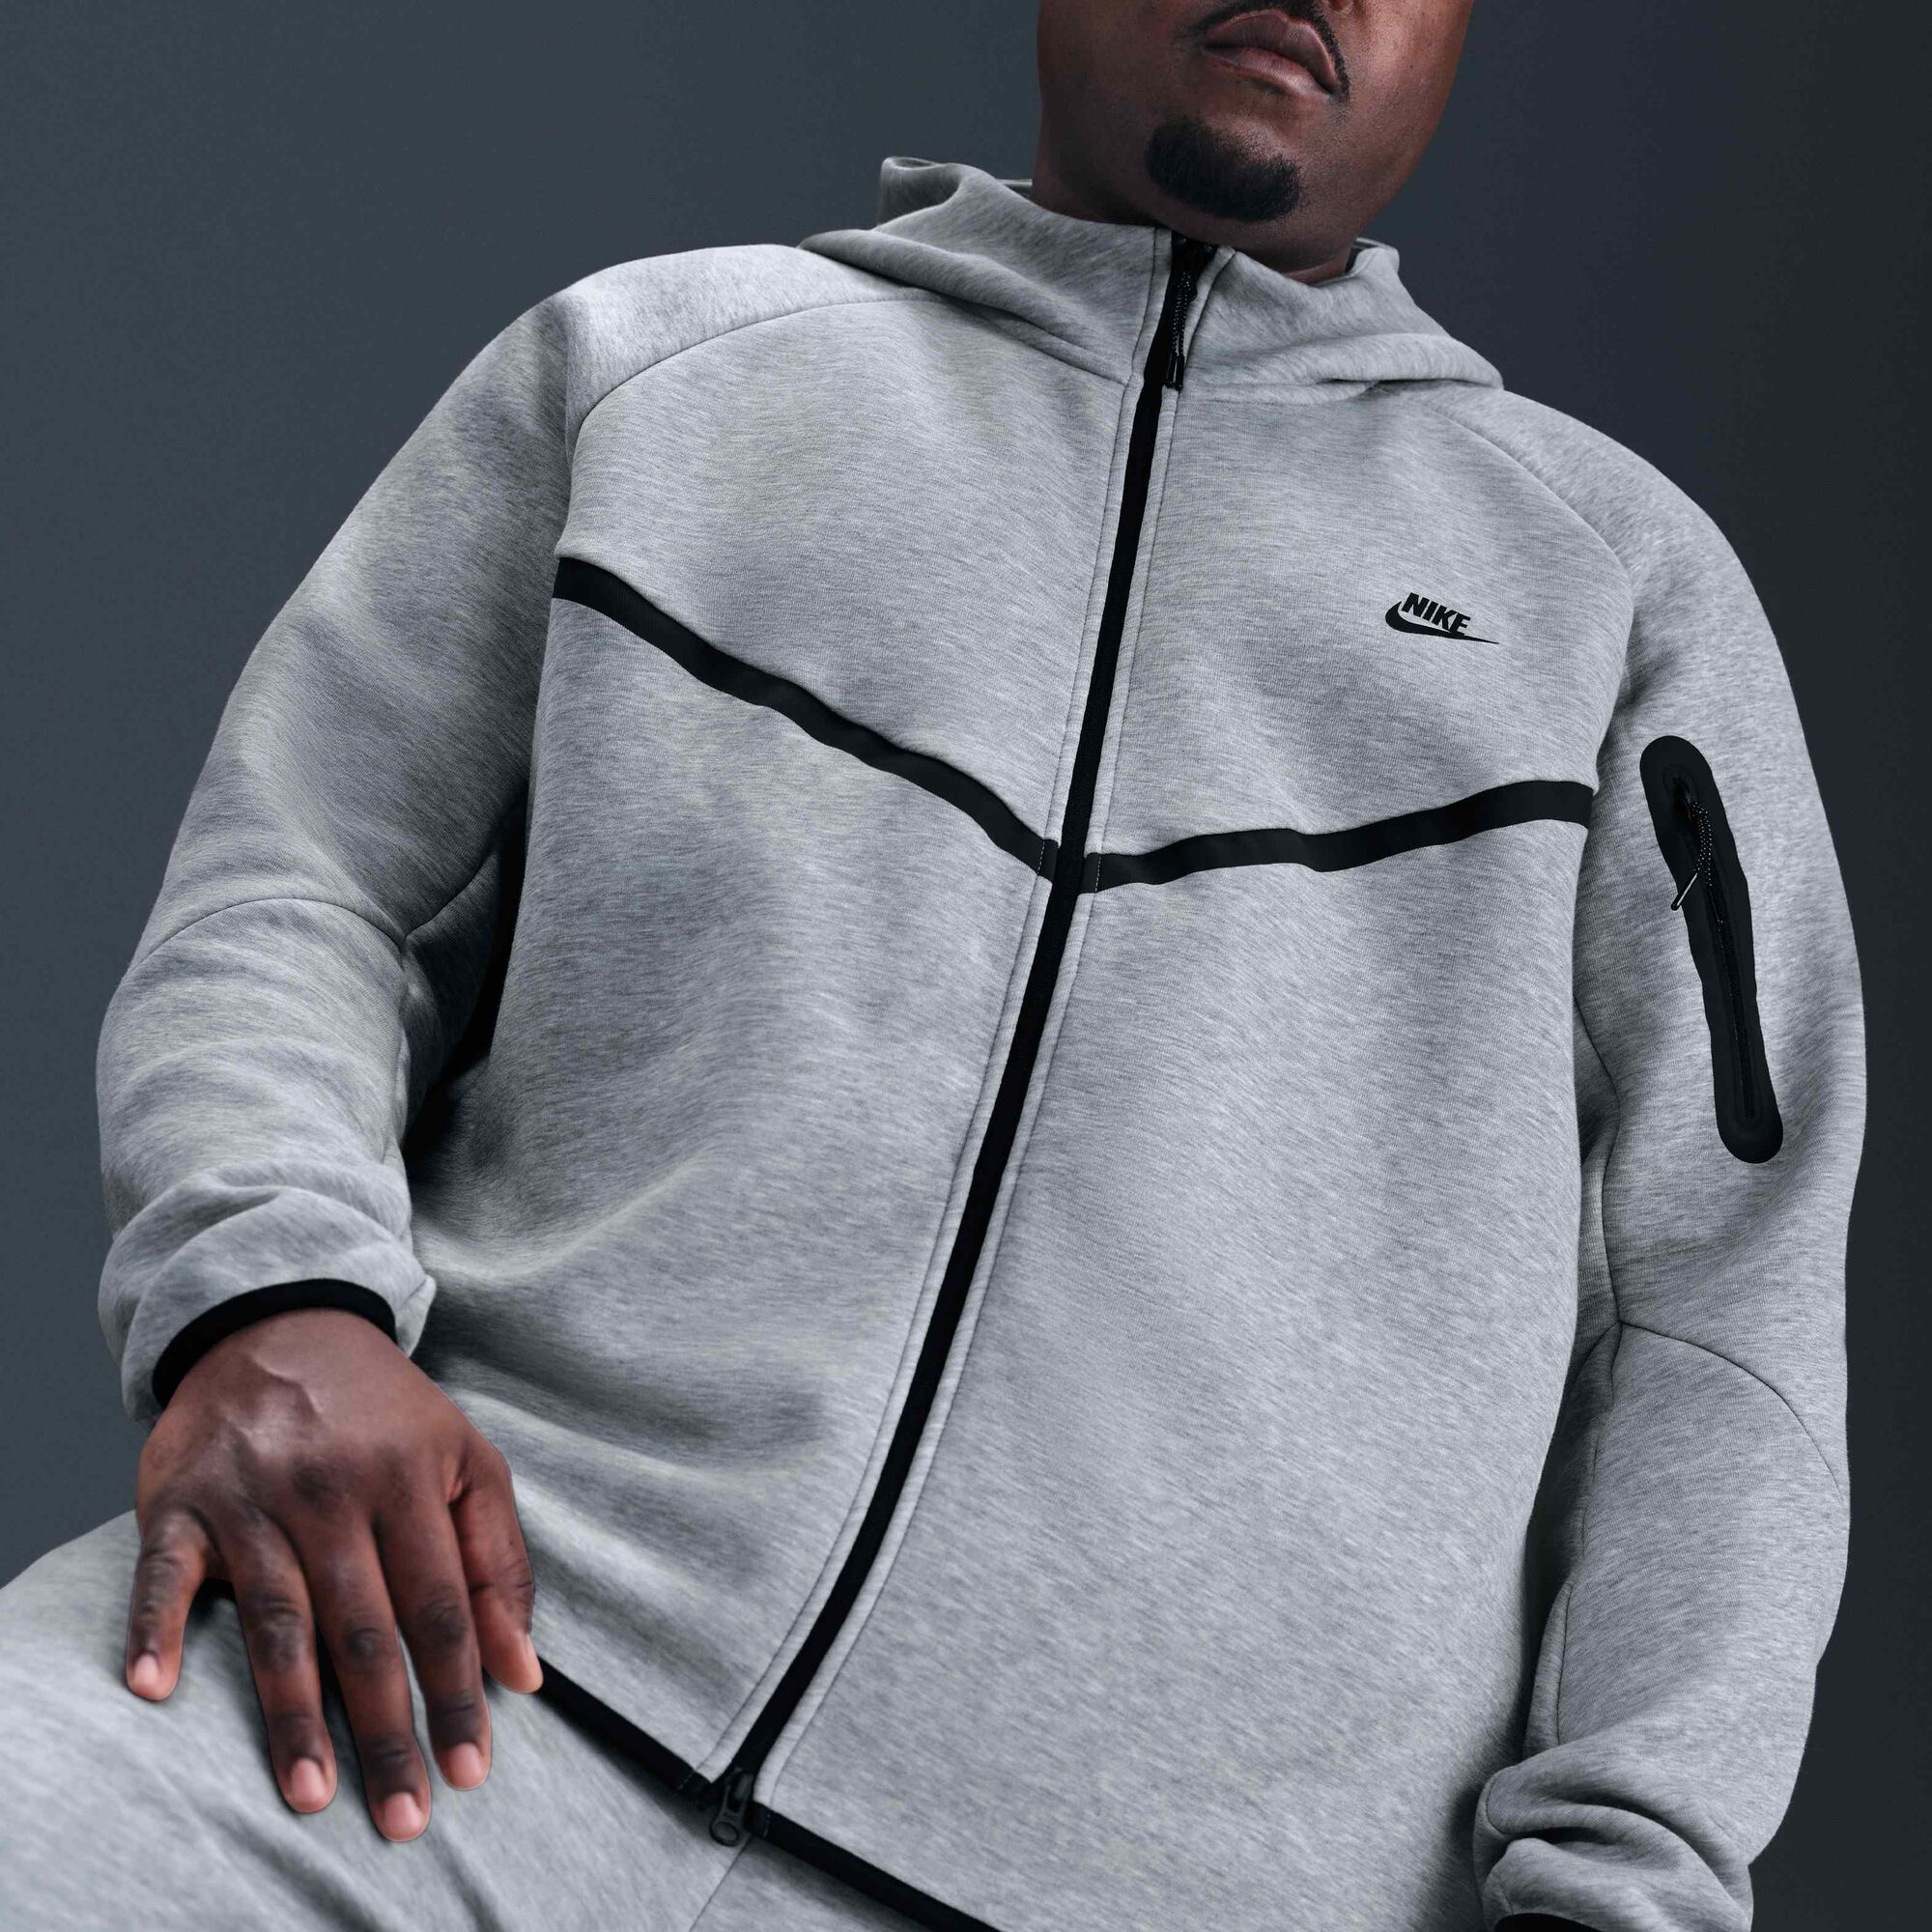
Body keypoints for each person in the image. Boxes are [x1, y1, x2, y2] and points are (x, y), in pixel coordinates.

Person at [0, 2, 1864, 1928]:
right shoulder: (652, 377)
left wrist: (1628, 1880)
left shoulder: (1609, 592)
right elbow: (303, 884)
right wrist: (271, 1300)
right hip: (445, 1681)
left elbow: (1721, 1306)